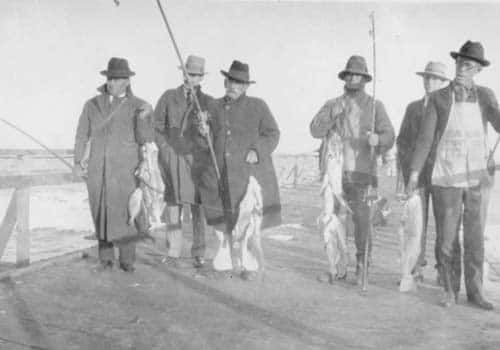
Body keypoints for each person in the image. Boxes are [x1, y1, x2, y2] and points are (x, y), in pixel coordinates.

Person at [409, 41, 500, 310]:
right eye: (460, 64)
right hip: (446, 178)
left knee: (474, 240)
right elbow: (425, 139)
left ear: (478, 70)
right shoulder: (439, 98)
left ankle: (475, 293)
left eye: (469, 66)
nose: (462, 69)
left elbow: (497, 121)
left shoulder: (485, 96)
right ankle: (449, 290)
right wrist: (414, 173)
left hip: (476, 180)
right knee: (446, 240)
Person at [310, 55, 395, 285]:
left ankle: (362, 266)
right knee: (332, 221)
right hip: (335, 173)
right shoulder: (332, 104)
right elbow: (315, 130)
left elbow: (390, 135)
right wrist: (332, 113)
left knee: (363, 221)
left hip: (363, 173)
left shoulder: (376, 106)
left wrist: (379, 139)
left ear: (365, 79)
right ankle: (336, 267)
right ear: (345, 78)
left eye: (358, 74)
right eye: (350, 74)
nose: (353, 78)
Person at [196, 60, 281, 280]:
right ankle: (224, 263)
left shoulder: (258, 106)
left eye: (240, 83)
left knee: (246, 221)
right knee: (220, 219)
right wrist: (203, 131)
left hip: (246, 174)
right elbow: (206, 144)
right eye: (232, 81)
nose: (234, 86)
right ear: (225, 81)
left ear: (246, 87)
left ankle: (249, 265)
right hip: (219, 173)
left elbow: (273, 134)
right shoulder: (213, 107)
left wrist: (257, 150)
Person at [74, 57, 154, 272]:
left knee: (128, 214)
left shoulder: (140, 105)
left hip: (126, 171)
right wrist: (78, 161)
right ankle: (106, 260)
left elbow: (145, 138)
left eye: (117, 79)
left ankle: (127, 261)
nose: (112, 82)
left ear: (127, 81)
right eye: (110, 78)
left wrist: (146, 117)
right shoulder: (91, 104)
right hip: (97, 171)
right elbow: (82, 135)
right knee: (101, 212)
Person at [154, 55, 214, 268]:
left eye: (197, 75)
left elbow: (213, 134)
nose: (193, 79)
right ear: (183, 73)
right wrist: (165, 148)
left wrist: (205, 132)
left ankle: (199, 251)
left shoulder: (208, 102)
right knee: (173, 204)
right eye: (190, 74)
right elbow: (157, 126)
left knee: (198, 206)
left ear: (202, 78)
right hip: (173, 158)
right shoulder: (168, 97)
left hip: (197, 160)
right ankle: (173, 251)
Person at [397, 61, 450, 284]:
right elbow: (402, 141)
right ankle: (415, 267)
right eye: (426, 77)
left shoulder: (449, 108)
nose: (429, 82)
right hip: (417, 175)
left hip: (442, 174)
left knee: (444, 223)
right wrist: (409, 171)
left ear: (442, 83)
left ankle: (442, 269)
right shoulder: (413, 108)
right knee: (416, 222)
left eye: (434, 78)